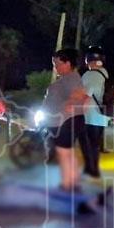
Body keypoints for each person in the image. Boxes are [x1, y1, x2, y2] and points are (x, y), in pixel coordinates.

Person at [42, 48, 88, 191]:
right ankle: (72, 183)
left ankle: (70, 184)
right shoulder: (67, 78)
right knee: (65, 152)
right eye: (54, 64)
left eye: (57, 64)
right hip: (65, 121)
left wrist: (67, 106)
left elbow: (80, 97)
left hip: (67, 121)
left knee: (64, 152)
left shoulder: (71, 79)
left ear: (67, 63)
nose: (55, 67)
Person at [80, 45, 110, 179]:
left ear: (88, 60)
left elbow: (86, 93)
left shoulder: (90, 75)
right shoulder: (105, 74)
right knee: (94, 144)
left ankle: (90, 169)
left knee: (87, 144)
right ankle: (92, 169)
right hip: (101, 115)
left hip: (89, 115)